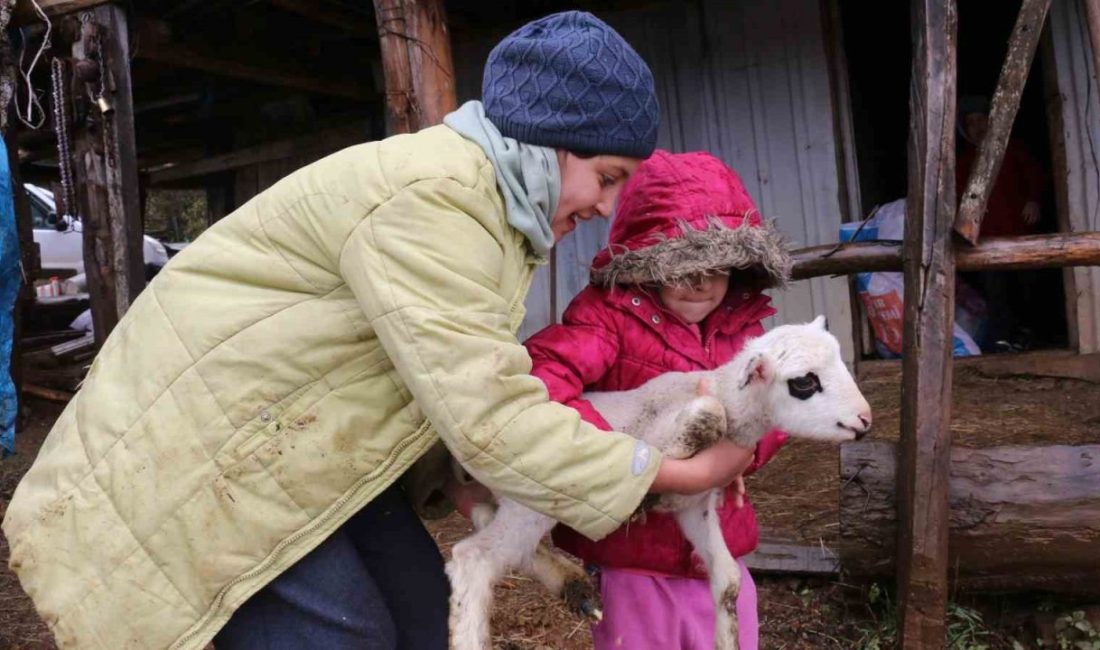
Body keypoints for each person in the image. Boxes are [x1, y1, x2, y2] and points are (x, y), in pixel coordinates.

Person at [1, 12, 753, 650]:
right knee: (345, 636)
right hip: (204, 454)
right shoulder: (434, 201)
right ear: (553, 142)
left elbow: (413, 375)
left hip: (290, 440)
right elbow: (490, 408)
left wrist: (458, 480)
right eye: (610, 177)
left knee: (424, 618)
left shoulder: (488, 212)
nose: (604, 205)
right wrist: (677, 474)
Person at [525, 150, 792, 650]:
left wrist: (744, 448)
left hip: (719, 550)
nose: (701, 283)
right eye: (681, 263)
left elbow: (778, 404)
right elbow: (541, 382)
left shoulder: (744, 330)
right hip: (634, 554)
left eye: (718, 266)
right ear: (646, 260)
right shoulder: (607, 320)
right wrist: (622, 456)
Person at [956, 94, 1044, 352]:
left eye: (982, 119)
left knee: (1026, 287)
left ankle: (1029, 334)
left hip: (1019, 234)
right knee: (996, 291)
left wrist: (1033, 200)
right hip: (986, 239)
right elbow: (958, 196)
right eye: (970, 123)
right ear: (964, 129)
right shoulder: (963, 162)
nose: (977, 127)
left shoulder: (1012, 149)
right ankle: (1003, 338)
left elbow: (1035, 175)